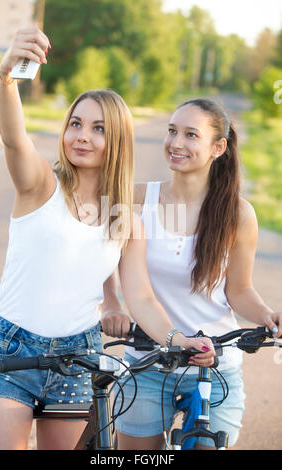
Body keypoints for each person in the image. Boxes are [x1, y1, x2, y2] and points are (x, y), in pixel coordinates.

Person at [0, 29, 215, 450]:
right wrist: (6, 81)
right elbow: (14, 139)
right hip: (9, 350)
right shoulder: (41, 185)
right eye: (75, 123)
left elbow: (141, 298)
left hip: (78, 356)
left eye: (98, 128)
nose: (82, 136)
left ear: (118, 141)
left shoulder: (126, 216)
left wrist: (180, 340)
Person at [101, 98, 282, 450]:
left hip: (215, 367)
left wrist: (267, 317)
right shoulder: (136, 199)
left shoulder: (238, 214)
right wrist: (111, 303)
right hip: (147, 365)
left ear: (218, 147)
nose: (176, 143)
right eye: (172, 131)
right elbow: (99, 256)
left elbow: (240, 290)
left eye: (190, 135)